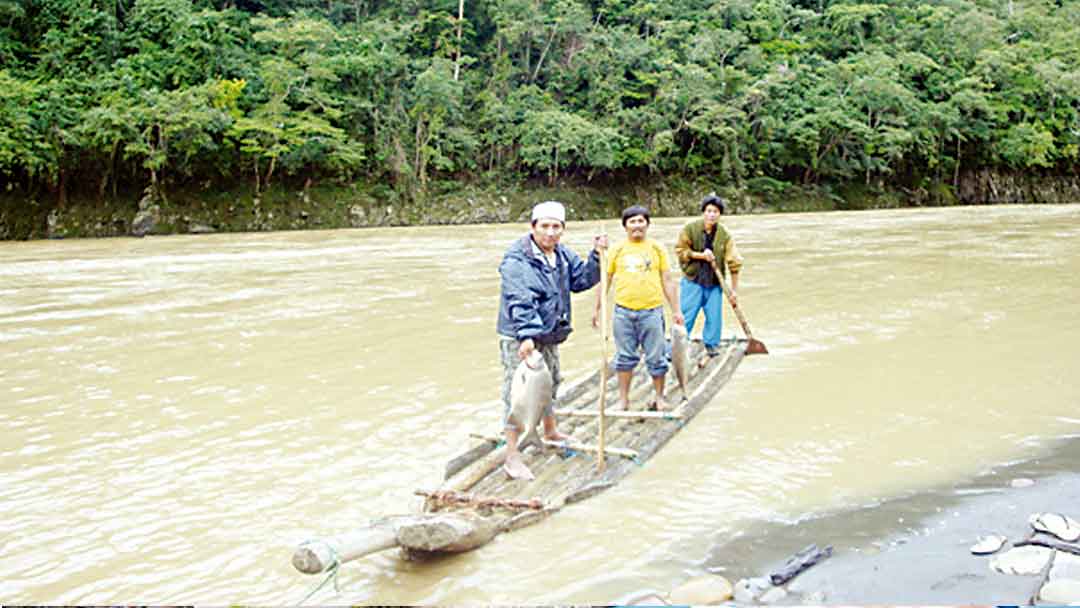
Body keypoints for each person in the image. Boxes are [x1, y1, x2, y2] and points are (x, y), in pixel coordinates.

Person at [497, 201, 608, 479]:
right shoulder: (516, 260)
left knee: (551, 382)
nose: (550, 232)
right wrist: (527, 335)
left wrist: (596, 256)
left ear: (563, 230)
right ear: (533, 227)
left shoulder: (561, 254)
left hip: (549, 333)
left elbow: (581, 280)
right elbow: (520, 299)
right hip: (521, 336)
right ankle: (512, 457)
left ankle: (550, 430)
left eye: (556, 226)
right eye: (544, 226)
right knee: (518, 396)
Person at [593, 205, 684, 411]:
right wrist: (597, 309)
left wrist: (676, 310)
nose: (637, 226)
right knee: (624, 358)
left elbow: (667, 280)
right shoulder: (616, 249)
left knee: (656, 357)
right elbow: (604, 280)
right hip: (623, 312)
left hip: (651, 311)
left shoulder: (656, 248)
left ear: (647, 224)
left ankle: (660, 397)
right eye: (632, 221)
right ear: (625, 226)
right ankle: (623, 401)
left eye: (641, 221)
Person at [674, 193, 743, 357]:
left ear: (720, 214)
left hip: (714, 282)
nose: (712, 215)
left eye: (716, 212)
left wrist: (734, 291)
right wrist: (700, 255)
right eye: (709, 211)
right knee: (686, 315)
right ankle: (677, 347)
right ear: (703, 212)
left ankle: (711, 345)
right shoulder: (690, 229)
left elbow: (734, 262)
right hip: (693, 280)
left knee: (714, 317)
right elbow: (680, 251)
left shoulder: (724, 235)